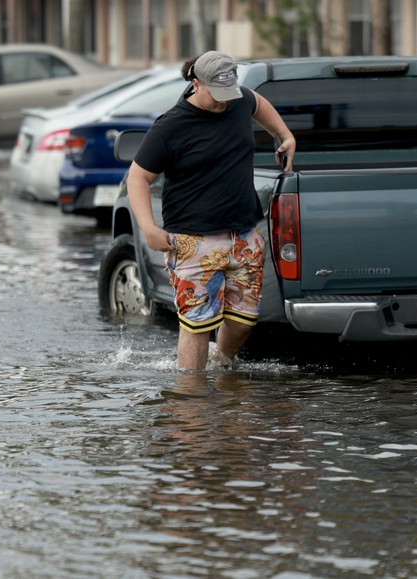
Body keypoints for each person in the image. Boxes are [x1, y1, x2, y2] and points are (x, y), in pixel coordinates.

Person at [126, 51, 296, 371]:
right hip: (192, 242)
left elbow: (257, 102)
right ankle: (191, 407)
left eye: (228, 94)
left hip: (244, 236)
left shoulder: (238, 100)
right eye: (217, 95)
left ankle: (221, 370)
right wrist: (148, 227)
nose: (224, 102)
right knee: (198, 327)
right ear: (196, 84)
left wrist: (284, 134)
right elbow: (138, 176)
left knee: (244, 323)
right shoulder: (170, 126)